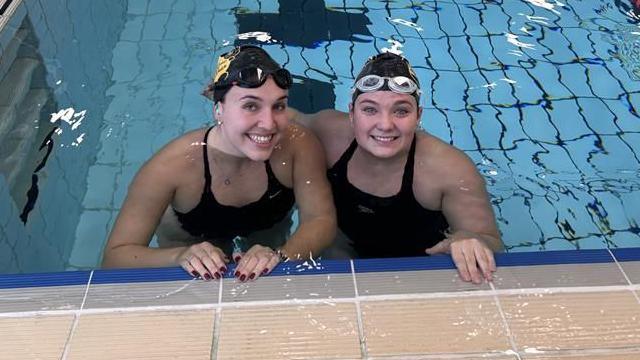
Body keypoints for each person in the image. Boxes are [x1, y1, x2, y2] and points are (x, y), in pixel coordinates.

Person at [102, 45, 336, 281]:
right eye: (250, 105)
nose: (268, 124)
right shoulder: (171, 166)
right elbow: (115, 259)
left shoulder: (298, 146)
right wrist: (179, 256)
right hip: (190, 240)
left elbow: (320, 219)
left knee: (265, 267)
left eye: (279, 106)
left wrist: (281, 256)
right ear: (218, 110)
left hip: (267, 229)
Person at [292, 52, 503, 284]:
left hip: (419, 268)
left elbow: (491, 241)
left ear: (418, 116)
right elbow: (278, 119)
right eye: (370, 109)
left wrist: (468, 238)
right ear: (352, 114)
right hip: (344, 252)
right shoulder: (328, 133)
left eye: (401, 110)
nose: (385, 125)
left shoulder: (449, 169)